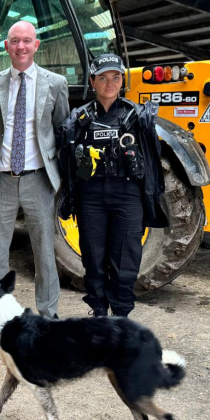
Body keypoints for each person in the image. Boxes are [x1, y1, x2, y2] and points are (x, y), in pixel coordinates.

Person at [58, 53, 168, 318]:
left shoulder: (138, 118)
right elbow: (66, 164)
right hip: (90, 197)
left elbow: (152, 161)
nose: (110, 83)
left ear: (122, 81)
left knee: (125, 260)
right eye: (104, 78)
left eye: (116, 78)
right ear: (93, 81)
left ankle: (120, 316)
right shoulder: (77, 120)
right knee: (93, 258)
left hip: (128, 195)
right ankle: (98, 311)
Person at [0, 21, 69, 318]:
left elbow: (61, 128)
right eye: (15, 41)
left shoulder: (55, 84)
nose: (21, 47)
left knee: (44, 254)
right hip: (2, 181)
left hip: (38, 181)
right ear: (7, 47)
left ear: (36, 45)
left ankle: (48, 312)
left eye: (27, 41)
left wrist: (50, 162)